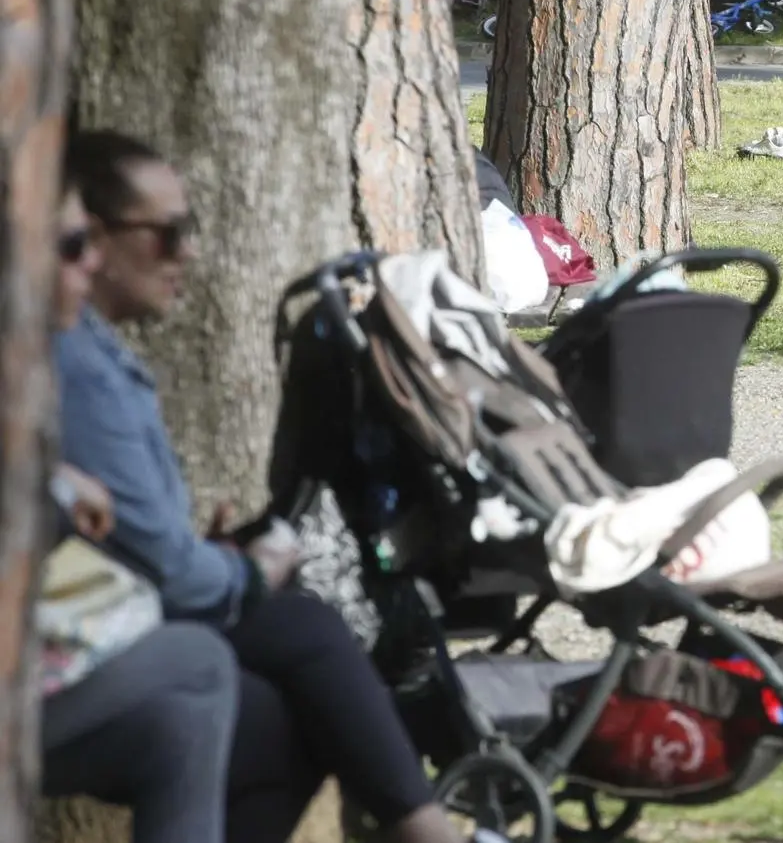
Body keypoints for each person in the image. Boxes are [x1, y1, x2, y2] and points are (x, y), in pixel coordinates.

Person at [55, 129, 478, 843]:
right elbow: (164, 575)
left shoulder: (92, 352)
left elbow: (133, 548)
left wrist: (220, 562)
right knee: (297, 634)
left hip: (104, 626)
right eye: (167, 233)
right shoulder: (74, 370)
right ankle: (433, 833)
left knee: (286, 709)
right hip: (73, 651)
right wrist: (243, 571)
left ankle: (427, 829)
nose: (187, 250)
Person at [39, 165, 240, 843]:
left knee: (186, 721)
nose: (90, 262)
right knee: (206, 656)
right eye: (71, 246)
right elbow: (164, 561)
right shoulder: (70, 365)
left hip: (49, 652)